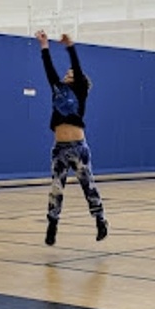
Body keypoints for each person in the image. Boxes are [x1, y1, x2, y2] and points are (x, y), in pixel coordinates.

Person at [36, 30, 108, 246]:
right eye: (66, 73)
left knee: (88, 184)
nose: (67, 74)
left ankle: (100, 219)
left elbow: (76, 66)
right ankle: (52, 223)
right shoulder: (57, 89)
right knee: (56, 187)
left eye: (70, 73)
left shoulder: (79, 92)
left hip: (78, 147)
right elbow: (49, 70)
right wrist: (44, 46)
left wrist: (70, 47)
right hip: (59, 148)